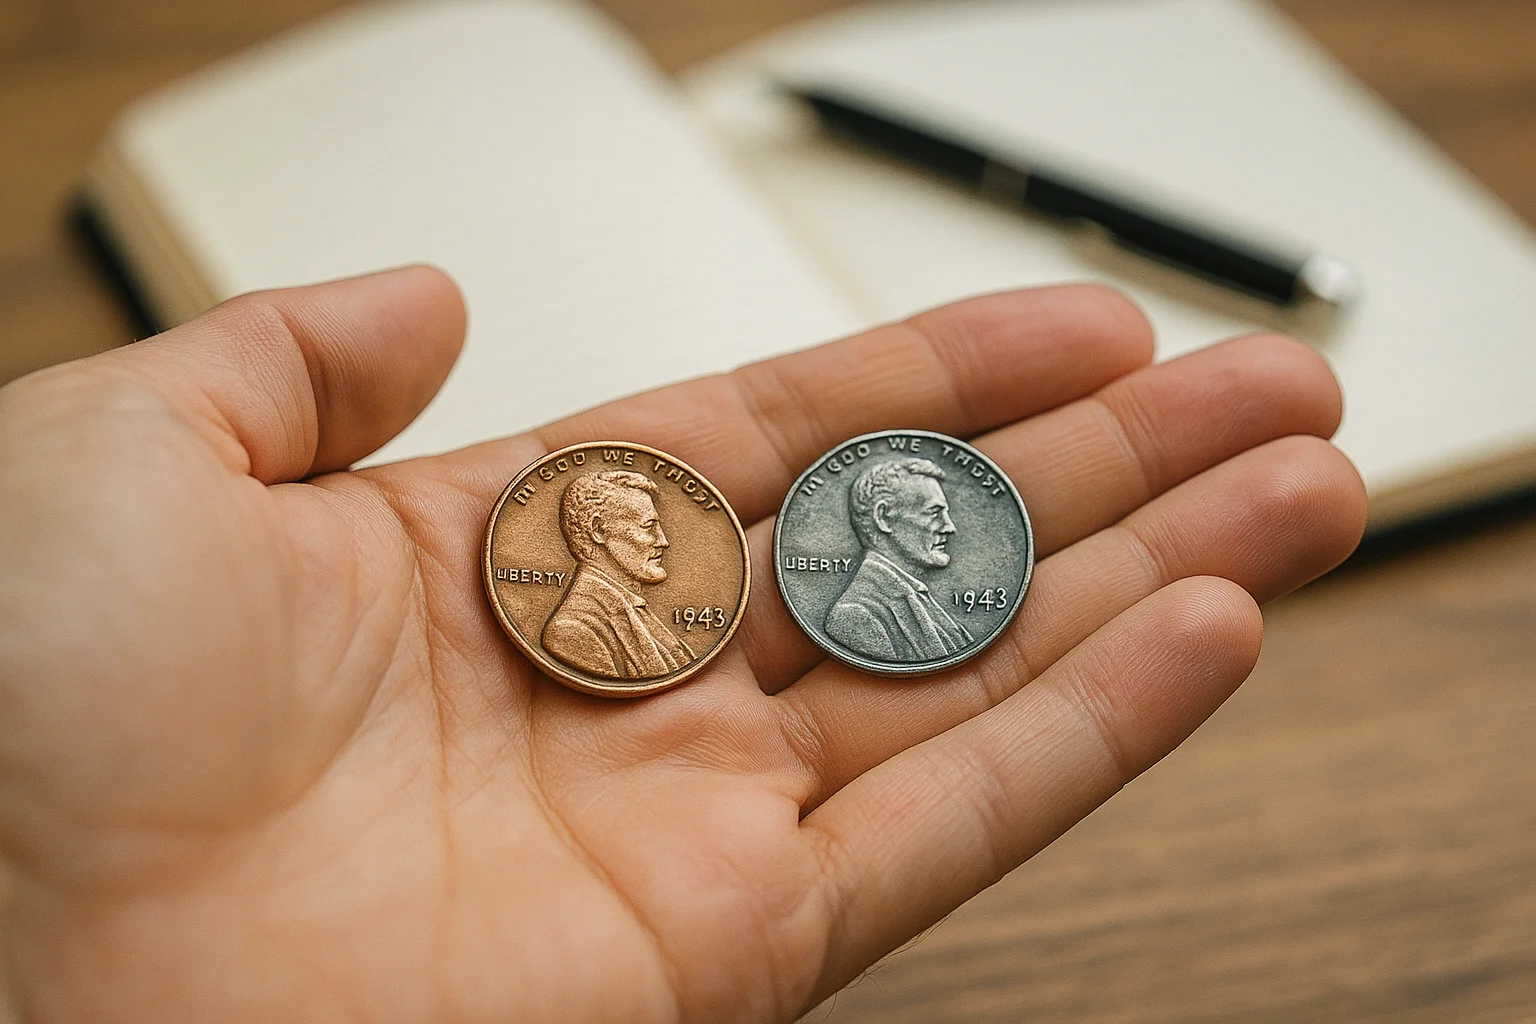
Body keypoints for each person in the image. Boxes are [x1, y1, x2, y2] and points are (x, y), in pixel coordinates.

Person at [0, 266, 1366, 1022]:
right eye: (641, 526)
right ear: (597, 539)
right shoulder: (614, 620)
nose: (663, 541)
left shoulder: (713, 615)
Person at [542, 470, 695, 678]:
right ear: (597, 530)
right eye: (648, 527)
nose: (663, 541)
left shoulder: (636, 610)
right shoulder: (572, 630)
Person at [825, 457, 973, 662]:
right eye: (934, 513)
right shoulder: (854, 615)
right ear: (882, 518)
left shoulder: (919, 596)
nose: (949, 527)